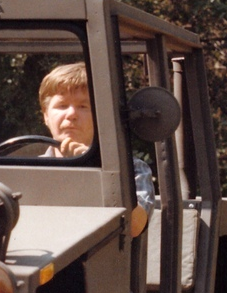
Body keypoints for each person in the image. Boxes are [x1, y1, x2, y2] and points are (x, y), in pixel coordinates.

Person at [39, 61, 156, 218]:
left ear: (100, 116)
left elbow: (134, 224)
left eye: (83, 106)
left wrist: (88, 170)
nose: (71, 114)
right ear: (46, 115)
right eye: (62, 105)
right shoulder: (31, 170)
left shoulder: (131, 170)